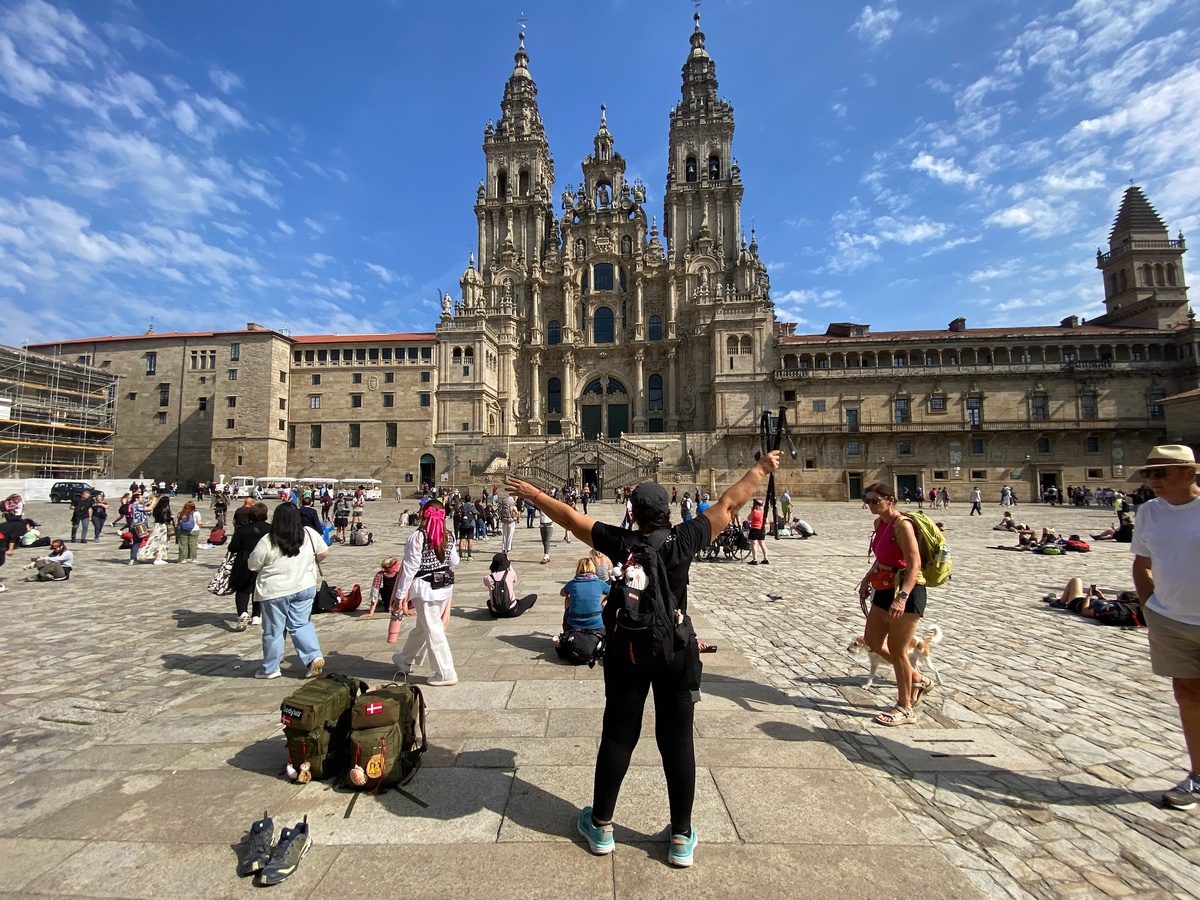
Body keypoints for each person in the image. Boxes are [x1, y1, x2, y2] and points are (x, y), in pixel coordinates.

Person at [504, 449, 781, 869]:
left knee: (618, 736)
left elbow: (571, 520)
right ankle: (681, 837)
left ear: (631, 513)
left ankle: (601, 826)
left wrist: (535, 495)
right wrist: (759, 468)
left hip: (627, 651)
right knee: (678, 741)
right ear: (667, 511)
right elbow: (729, 504)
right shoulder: (684, 539)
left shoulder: (622, 543)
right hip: (674, 651)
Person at [1129, 445, 1200, 809]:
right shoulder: (1149, 512)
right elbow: (1141, 563)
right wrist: (1150, 609)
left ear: (1189, 473)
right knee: (1187, 697)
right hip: (1171, 621)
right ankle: (1198, 775)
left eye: (1160, 473)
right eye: (1148, 474)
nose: (1152, 480)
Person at [857, 482, 934, 727]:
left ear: (890, 500)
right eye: (867, 500)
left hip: (907, 590)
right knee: (872, 641)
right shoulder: (879, 524)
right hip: (884, 586)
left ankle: (905, 707)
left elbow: (914, 565)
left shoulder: (903, 525)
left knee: (898, 649)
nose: (870, 505)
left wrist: (902, 597)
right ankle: (917, 679)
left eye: (875, 500)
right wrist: (867, 578)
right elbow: (881, 558)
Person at [247, 502, 327, 679]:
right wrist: (309, 562)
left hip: (276, 590)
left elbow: (253, 564)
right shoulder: (309, 533)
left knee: (274, 630)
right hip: (304, 586)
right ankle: (313, 656)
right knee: (301, 624)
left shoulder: (268, 540)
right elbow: (323, 552)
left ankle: (271, 669)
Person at [391, 500, 460, 686]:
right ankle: (405, 659)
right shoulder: (449, 535)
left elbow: (410, 568)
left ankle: (445, 673)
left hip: (425, 589)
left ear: (423, 514)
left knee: (433, 630)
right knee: (423, 627)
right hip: (444, 586)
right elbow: (455, 560)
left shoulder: (418, 537)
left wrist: (399, 595)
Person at [228, 502, 270, 631]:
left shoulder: (242, 530)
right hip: (264, 562)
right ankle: (256, 615)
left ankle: (243, 613)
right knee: (258, 589)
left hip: (244, 561)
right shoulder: (271, 529)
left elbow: (233, 547)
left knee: (242, 589)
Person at [1042, 578, 1145, 626]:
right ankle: (1056, 599)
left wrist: (1088, 596)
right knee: (1075, 585)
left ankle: (1060, 601)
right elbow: (1107, 605)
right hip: (1092, 602)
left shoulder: (1113, 609)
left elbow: (1085, 611)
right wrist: (1101, 597)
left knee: (1076, 580)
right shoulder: (1120, 607)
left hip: (1078, 603)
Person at [560, 556, 609, 632]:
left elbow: (562, 593)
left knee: (568, 597)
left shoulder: (573, 583)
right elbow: (612, 591)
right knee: (609, 597)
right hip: (595, 621)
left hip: (574, 622)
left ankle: (567, 623)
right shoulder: (599, 582)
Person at [486, 552, 537, 618]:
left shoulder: (488, 578)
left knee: (488, 602)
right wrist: (509, 564)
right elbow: (515, 580)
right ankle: (515, 603)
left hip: (495, 613)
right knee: (533, 596)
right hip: (512, 611)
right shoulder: (510, 574)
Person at [139, 495, 173, 565]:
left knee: (153, 541)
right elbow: (164, 519)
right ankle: (158, 558)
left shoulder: (156, 508)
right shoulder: (166, 509)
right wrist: (171, 518)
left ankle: (148, 554)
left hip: (156, 526)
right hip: (162, 527)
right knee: (162, 542)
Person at [746, 498, 769, 565]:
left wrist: (752, 511)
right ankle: (765, 558)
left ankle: (755, 559)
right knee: (762, 544)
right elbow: (766, 521)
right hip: (762, 529)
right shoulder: (763, 512)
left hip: (754, 529)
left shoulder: (754, 512)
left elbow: (749, 518)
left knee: (754, 544)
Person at [127, 492, 148, 565]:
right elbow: (148, 509)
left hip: (137, 525)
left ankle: (134, 558)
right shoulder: (136, 505)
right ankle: (132, 559)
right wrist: (154, 501)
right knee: (137, 543)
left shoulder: (137, 505)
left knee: (136, 542)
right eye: (141, 498)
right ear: (136, 499)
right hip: (138, 526)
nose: (143, 499)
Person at [537, 500, 554, 564]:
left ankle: (545, 556)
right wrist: (524, 499)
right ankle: (547, 556)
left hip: (549, 526)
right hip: (542, 526)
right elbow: (532, 504)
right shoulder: (540, 508)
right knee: (544, 541)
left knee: (547, 541)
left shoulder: (551, 509)